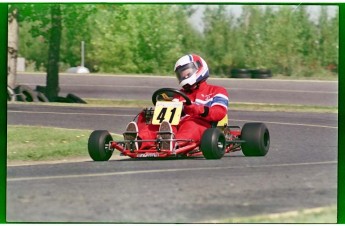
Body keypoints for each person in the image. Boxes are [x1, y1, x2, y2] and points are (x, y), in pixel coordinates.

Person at [123, 54, 229, 150]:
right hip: (176, 124)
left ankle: (173, 143)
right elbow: (170, 113)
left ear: (199, 68)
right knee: (160, 125)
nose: (184, 76)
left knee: (190, 126)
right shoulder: (179, 94)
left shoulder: (217, 91)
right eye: (181, 74)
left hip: (202, 125)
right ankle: (137, 141)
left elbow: (219, 112)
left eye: (187, 72)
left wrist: (197, 109)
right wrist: (156, 112)